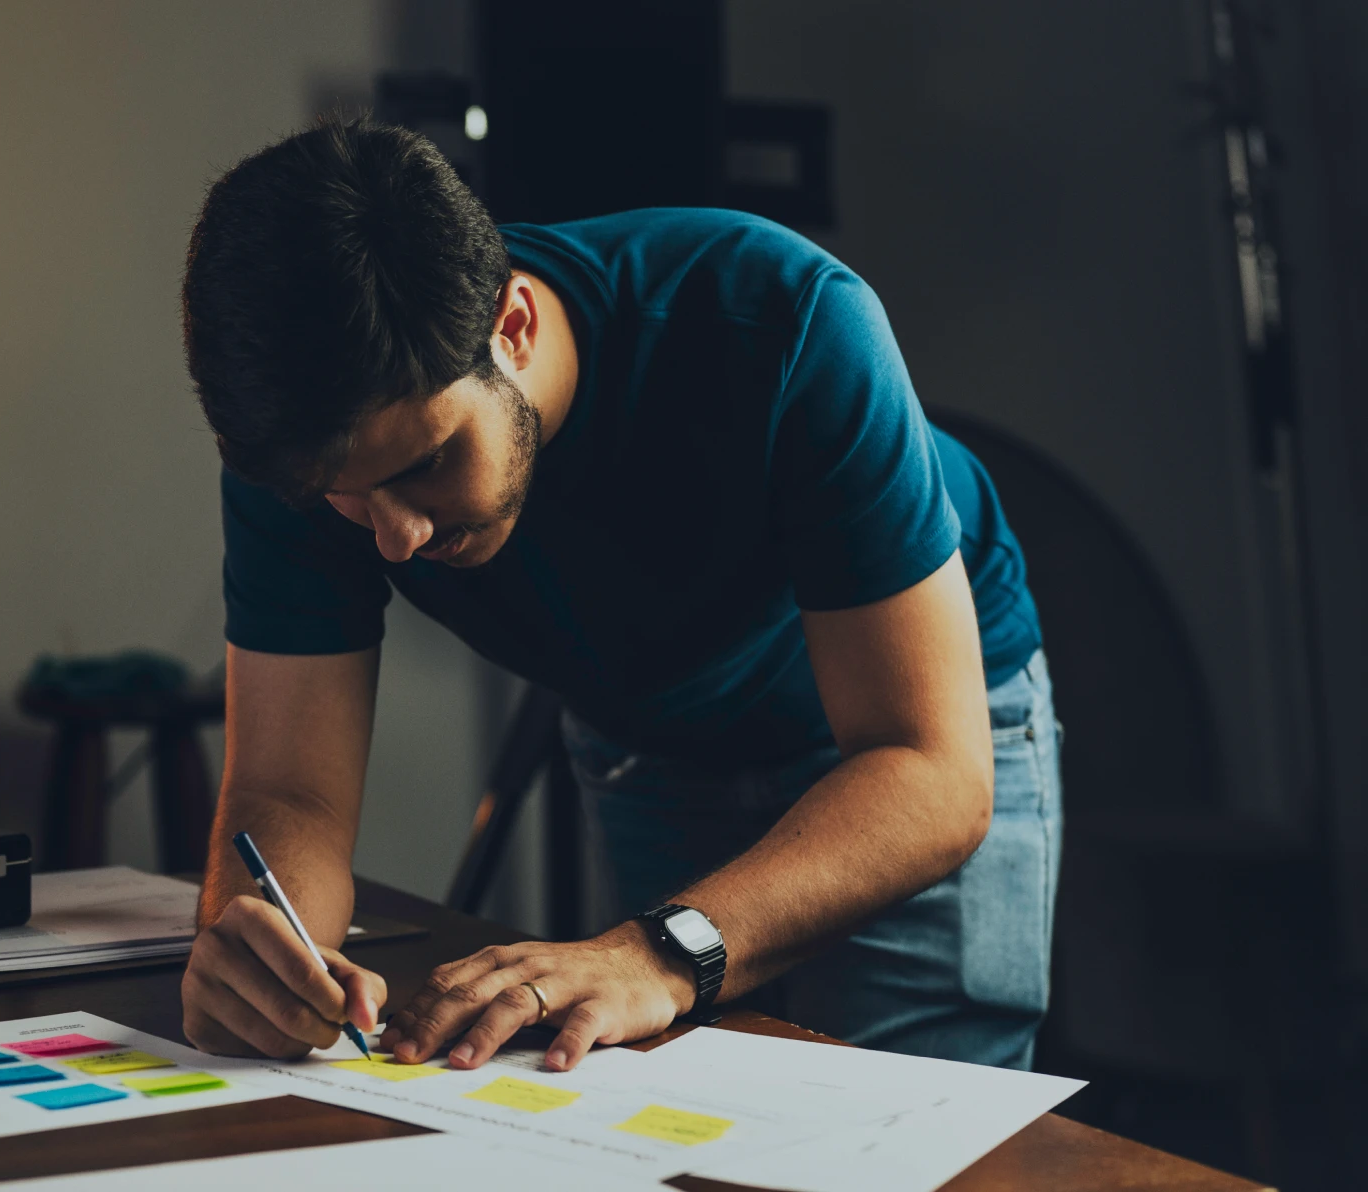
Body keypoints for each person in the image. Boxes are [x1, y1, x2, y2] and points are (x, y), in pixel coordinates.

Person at [176, 119, 1060, 1075]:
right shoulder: (306, 452)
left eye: (428, 464)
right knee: (687, 1128)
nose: (395, 536)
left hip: (911, 743)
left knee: (903, 1135)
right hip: (655, 743)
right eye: (345, 500)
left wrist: (659, 951)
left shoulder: (785, 316)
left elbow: (929, 767)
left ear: (511, 327)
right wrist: (268, 958)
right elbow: (288, 789)